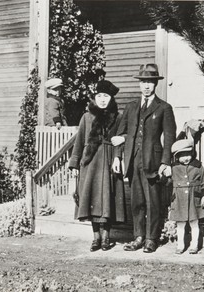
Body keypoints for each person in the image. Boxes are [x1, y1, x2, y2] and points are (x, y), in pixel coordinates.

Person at [111, 63, 176, 253]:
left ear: (155, 84)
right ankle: (138, 237)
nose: (146, 86)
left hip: (153, 162)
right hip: (132, 161)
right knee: (137, 202)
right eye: (143, 82)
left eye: (150, 82)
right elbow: (119, 135)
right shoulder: (131, 107)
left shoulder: (164, 108)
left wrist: (165, 162)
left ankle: (151, 238)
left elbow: (170, 136)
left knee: (153, 202)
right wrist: (117, 158)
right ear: (139, 84)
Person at [68, 80, 126, 252]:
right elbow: (79, 142)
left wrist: (117, 158)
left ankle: (106, 237)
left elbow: (120, 140)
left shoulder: (118, 116)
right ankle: (95, 238)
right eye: (99, 96)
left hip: (108, 161)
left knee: (107, 199)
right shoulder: (86, 117)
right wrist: (75, 164)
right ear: (94, 98)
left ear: (111, 98)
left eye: (106, 96)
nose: (102, 100)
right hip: (90, 162)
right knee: (91, 198)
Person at [166, 139, 204, 254]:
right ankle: (180, 245)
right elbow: (167, 184)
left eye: (188, 154)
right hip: (179, 200)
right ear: (176, 157)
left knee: (194, 223)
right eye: (182, 155)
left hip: (193, 199)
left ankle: (194, 245)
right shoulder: (173, 168)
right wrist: (165, 175)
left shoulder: (197, 166)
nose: (186, 158)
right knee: (180, 224)